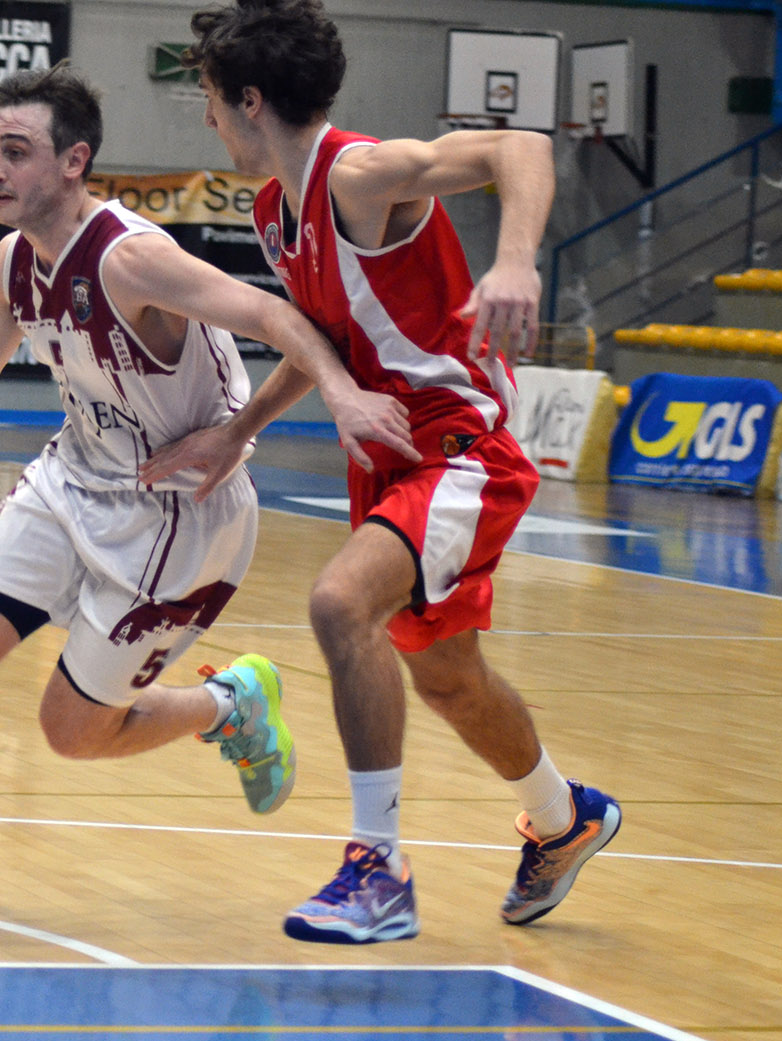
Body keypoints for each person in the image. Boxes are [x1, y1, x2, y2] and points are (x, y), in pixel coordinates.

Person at [0, 62, 417, 905]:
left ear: (73, 161)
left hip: (179, 510)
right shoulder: (15, 261)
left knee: (71, 732)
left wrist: (321, 404)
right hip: (75, 475)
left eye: (17, 151)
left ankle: (231, 703)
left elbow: (276, 314)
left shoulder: (134, 260)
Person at [140, 0, 621, 943]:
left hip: (459, 446)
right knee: (445, 675)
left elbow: (517, 146)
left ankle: (378, 869)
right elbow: (326, 335)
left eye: (209, 99)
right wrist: (240, 428)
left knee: (337, 605)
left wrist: (514, 262)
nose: (205, 119)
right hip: (394, 458)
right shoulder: (279, 209)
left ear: (248, 99)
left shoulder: (355, 172)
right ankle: (567, 820)